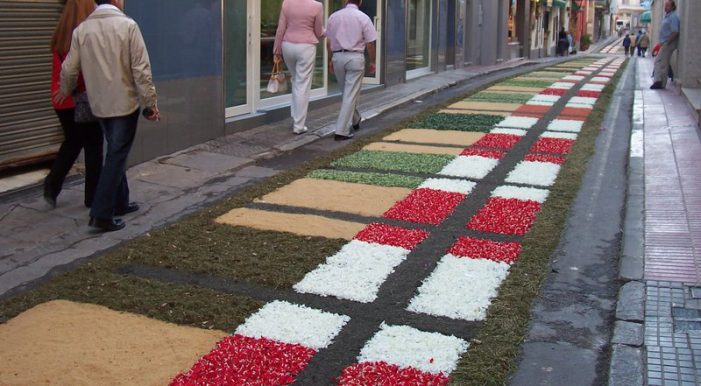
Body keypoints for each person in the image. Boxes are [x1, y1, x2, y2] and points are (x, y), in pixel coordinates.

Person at [57, 0, 160, 232]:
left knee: (115, 150)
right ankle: (101, 213)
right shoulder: (128, 26)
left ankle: (121, 201)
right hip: (124, 103)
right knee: (116, 154)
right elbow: (141, 69)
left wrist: (65, 90)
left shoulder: (82, 30)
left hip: (99, 104)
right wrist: (150, 104)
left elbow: (69, 68)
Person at [44, 0, 103, 209]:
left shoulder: (61, 32)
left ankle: (52, 185)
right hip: (80, 98)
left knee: (72, 141)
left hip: (60, 100)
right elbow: (78, 72)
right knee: (94, 145)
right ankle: (93, 197)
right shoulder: (84, 34)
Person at [326, 0, 376, 141]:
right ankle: (341, 131)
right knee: (350, 94)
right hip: (355, 58)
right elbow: (370, 43)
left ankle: (355, 119)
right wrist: (372, 61)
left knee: (346, 93)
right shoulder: (363, 17)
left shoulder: (333, 17)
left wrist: (330, 60)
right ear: (360, 1)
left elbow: (329, 42)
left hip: (337, 57)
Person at [273, 0, 325, 135]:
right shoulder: (317, 6)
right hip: (306, 47)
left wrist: (276, 50)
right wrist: (328, 31)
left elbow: (280, 28)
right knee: (302, 85)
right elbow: (319, 31)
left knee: (296, 80)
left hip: (287, 45)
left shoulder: (286, 3)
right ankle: (299, 125)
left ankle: (295, 115)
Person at [651, 0, 680, 89]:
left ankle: (659, 82)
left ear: (672, 7)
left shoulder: (673, 17)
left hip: (668, 44)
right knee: (662, 62)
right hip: (664, 43)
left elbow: (675, 31)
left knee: (659, 62)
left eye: (667, 6)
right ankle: (661, 83)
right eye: (665, 5)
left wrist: (667, 42)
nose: (665, 7)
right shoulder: (667, 16)